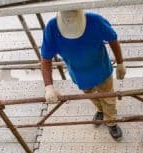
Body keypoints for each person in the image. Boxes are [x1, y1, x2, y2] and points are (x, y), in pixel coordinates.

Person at [40, 10, 126, 141]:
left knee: (108, 96)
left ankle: (111, 122)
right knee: (90, 94)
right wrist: (48, 86)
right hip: (79, 75)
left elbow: (113, 39)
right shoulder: (52, 28)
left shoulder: (95, 20)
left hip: (101, 70)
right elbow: (46, 59)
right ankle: (101, 110)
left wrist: (120, 62)